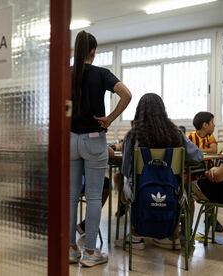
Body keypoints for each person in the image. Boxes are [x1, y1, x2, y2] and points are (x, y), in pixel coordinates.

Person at [69, 31, 131, 267]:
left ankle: (71, 249)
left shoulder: (67, 74)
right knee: (94, 195)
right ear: (93, 52)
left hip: (70, 140)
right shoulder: (101, 74)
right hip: (94, 140)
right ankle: (91, 252)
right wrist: (110, 118)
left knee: (71, 196)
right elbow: (126, 94)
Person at [115, 93, 203, 250]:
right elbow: (197, 156)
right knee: (185, 192)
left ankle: (136, 235)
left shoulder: (133, 136)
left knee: (122, 181)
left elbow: (126, 168)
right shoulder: (176, 133)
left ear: (138, 111)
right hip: (173, 190)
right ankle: (172, 236)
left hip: (139, 192)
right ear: (163, 110)